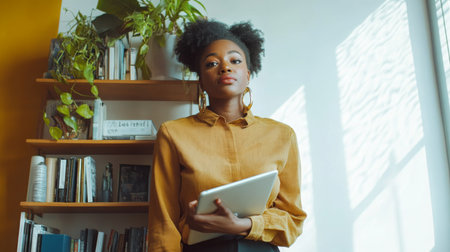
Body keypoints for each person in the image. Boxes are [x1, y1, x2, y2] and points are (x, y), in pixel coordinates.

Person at [148, 19, 307, 252]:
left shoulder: (282, 135)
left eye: (235, 60)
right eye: (212, 63)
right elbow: (163, 222)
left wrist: (243, 225)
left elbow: (293, 220)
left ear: (248, 74)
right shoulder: (173, 134)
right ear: (200, 80)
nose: (225, 67)